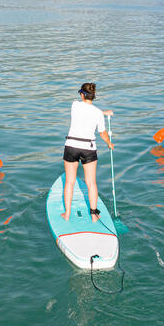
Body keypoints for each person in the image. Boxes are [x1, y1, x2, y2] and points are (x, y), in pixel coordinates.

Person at [62, 83, 114, 223]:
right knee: (91, 183)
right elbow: (102, 132)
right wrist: (109, 143)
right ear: (93, 96)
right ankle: (93, 215)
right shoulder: (97, 113)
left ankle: (67, 214)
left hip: (71, 146)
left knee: (69, 182)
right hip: (88, 148)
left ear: (81, 94)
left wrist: (102, 112)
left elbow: (85, 110)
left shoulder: (74, 105)